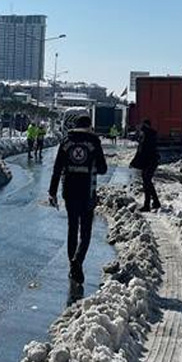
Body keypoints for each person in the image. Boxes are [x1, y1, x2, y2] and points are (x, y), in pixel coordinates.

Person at [48, 114, 108, 284]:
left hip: (69, 191)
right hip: (87, 192)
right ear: (89, 126)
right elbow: (103, 168)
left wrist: (52, 191)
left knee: (72, 228)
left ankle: (71, 266)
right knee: (86, 231)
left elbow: (57, 168)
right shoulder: (94, 142)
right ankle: (78, 261)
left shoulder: (66, 141)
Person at [130, 118, 161, 212]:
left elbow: (141, 151)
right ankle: (155, 202)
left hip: (149, 162)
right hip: (152, 161)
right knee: (147, 181)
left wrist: (133, 162)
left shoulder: (146, 135)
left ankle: (148, 205)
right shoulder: (150, 134)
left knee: (147, 182)